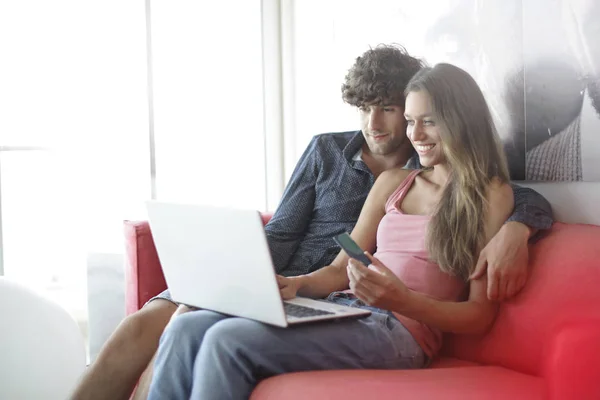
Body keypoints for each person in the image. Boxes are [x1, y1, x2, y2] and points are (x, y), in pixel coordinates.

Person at [69, 45, 553, 400]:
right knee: (187, 327)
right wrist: (290, 284)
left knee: (225, 341)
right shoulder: (393, 185)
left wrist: (405, 299)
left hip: (400, 331)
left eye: (426, 121)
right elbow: (341, 268)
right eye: (411, 120)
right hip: (346, 308)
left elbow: (479, 315)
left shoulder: (492, 196)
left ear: (461, 119)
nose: (413, 133)